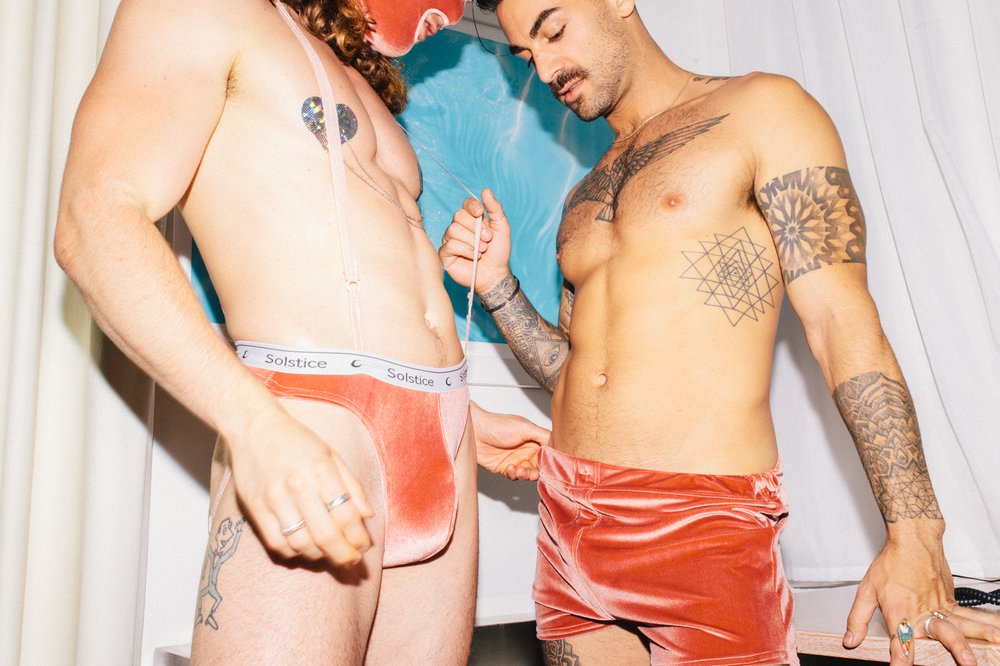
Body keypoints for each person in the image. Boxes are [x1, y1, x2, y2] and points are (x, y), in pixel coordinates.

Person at [439, 1, 1000, 664]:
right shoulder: (582, 199)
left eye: (554, 31)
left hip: (702, 525)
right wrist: (498, 288)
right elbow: (576, 372)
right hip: (569, 522)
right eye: (526, 56)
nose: (546, 69)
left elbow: (839, 319)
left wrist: (915, 533)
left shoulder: (763, 110)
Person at [54, 0, 547, 662]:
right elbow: (95, 216)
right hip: (315, 419)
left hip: (444, 430)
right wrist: (250, 423)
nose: (455, 9)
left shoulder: (356, 81)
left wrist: (463, 416)